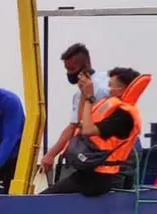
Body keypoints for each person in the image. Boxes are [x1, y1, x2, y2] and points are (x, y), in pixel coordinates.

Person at [41, 67, 144, 196]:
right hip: (91, 171)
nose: (108, 90)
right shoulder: (111, 108)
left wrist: (90, 97)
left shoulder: (124, 116)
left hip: (102, 177)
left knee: (48, 197)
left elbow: (88, 130)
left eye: (111, 86)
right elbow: (82, 123)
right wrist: (84, 95)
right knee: (52, 193)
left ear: (122, 90)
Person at [40, 43, 110, 174]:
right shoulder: (107, 79)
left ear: (86, 66)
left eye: (72, 69)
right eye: (67, 70)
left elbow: (76, 126)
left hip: (105, 155)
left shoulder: (98, 89)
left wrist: (51, 155)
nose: (69, 74)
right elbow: (72, 126)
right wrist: (51, 154)